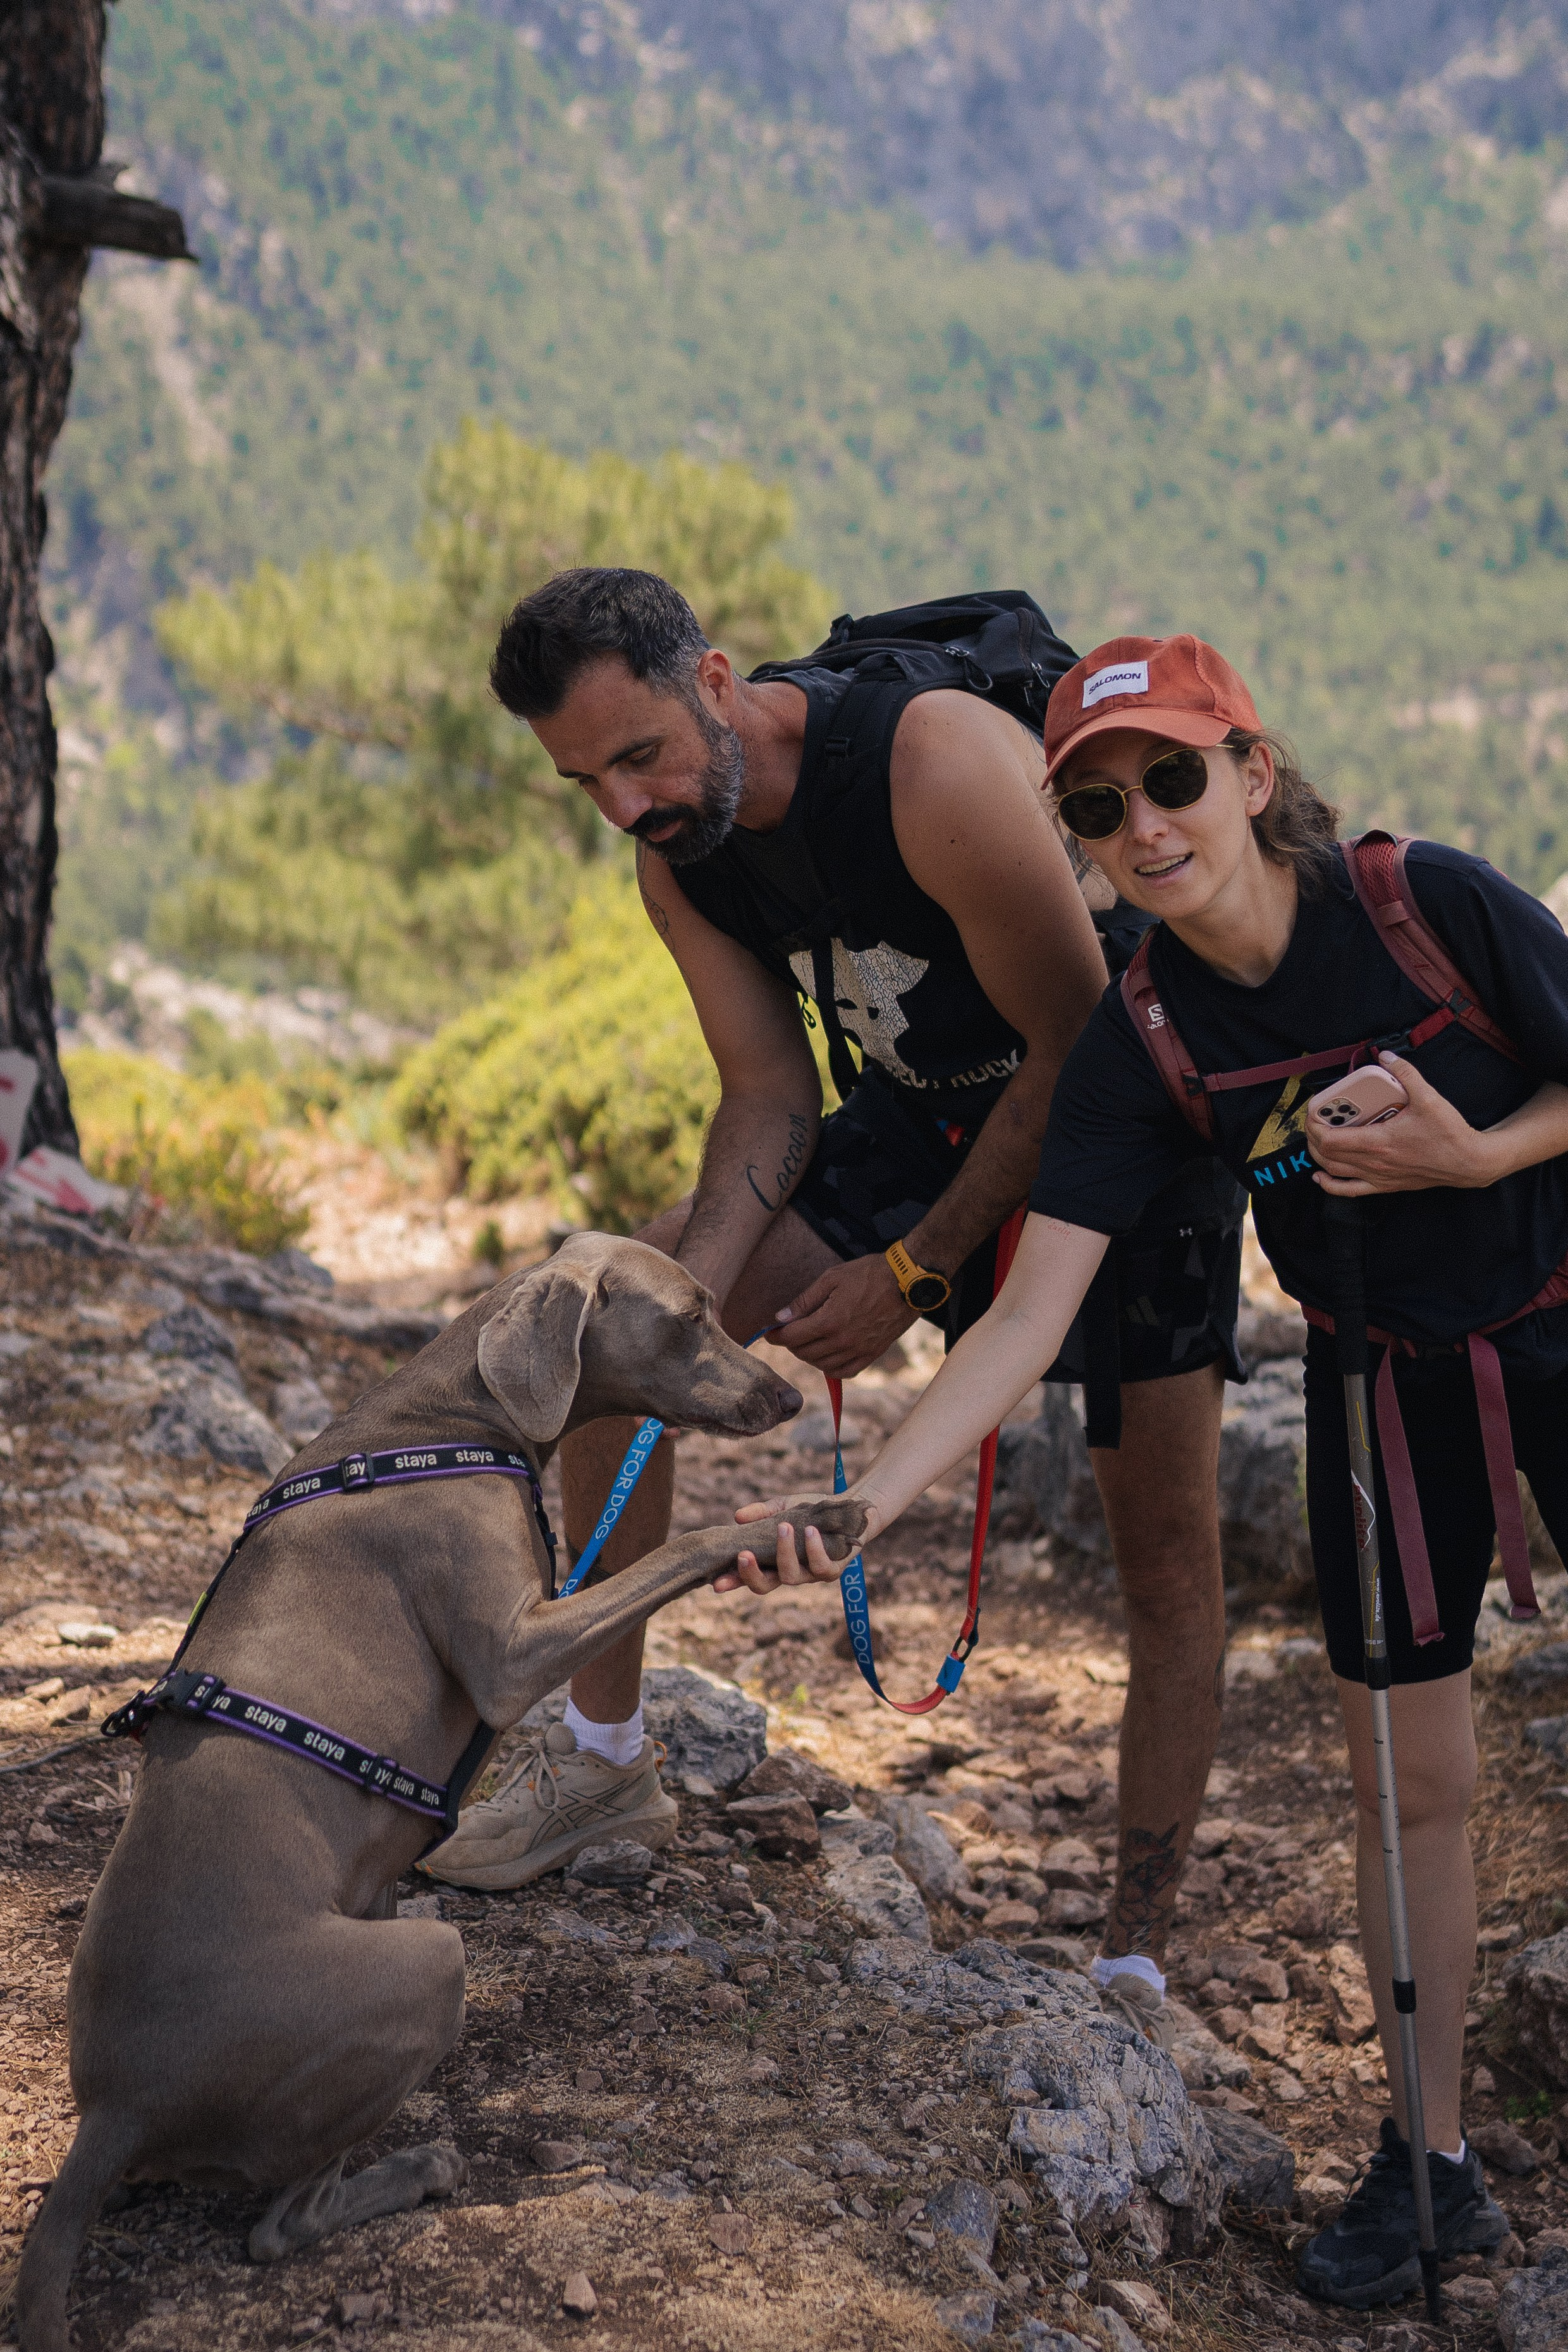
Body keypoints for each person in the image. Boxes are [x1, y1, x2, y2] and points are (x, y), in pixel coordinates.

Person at [734, 628, 1568, 2309]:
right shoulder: (1145, 1040)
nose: (1144, 827)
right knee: (1406, 1786)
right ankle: (1431, 2166)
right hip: (1377, 1390)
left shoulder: (1424, 906)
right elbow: (1028, 1316)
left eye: (1172, 778)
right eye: (1097, 809)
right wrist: (863, 1505)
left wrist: (1475, 1153)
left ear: (1253, 773)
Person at [423, 570, 1246, 2021]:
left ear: (715, 682)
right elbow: (766, 1095)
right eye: (584, 781)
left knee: (1167, 1564)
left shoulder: (930, 766)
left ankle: (1134, 1950)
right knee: (614, 1338)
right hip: (918, 1114)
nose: (623, 806)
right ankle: (602, 1763)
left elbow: (1072, 1047)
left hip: (1121, 1114)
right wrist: (682, 1314)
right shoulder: (681, 857)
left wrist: (914, 1271)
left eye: (640, 757)